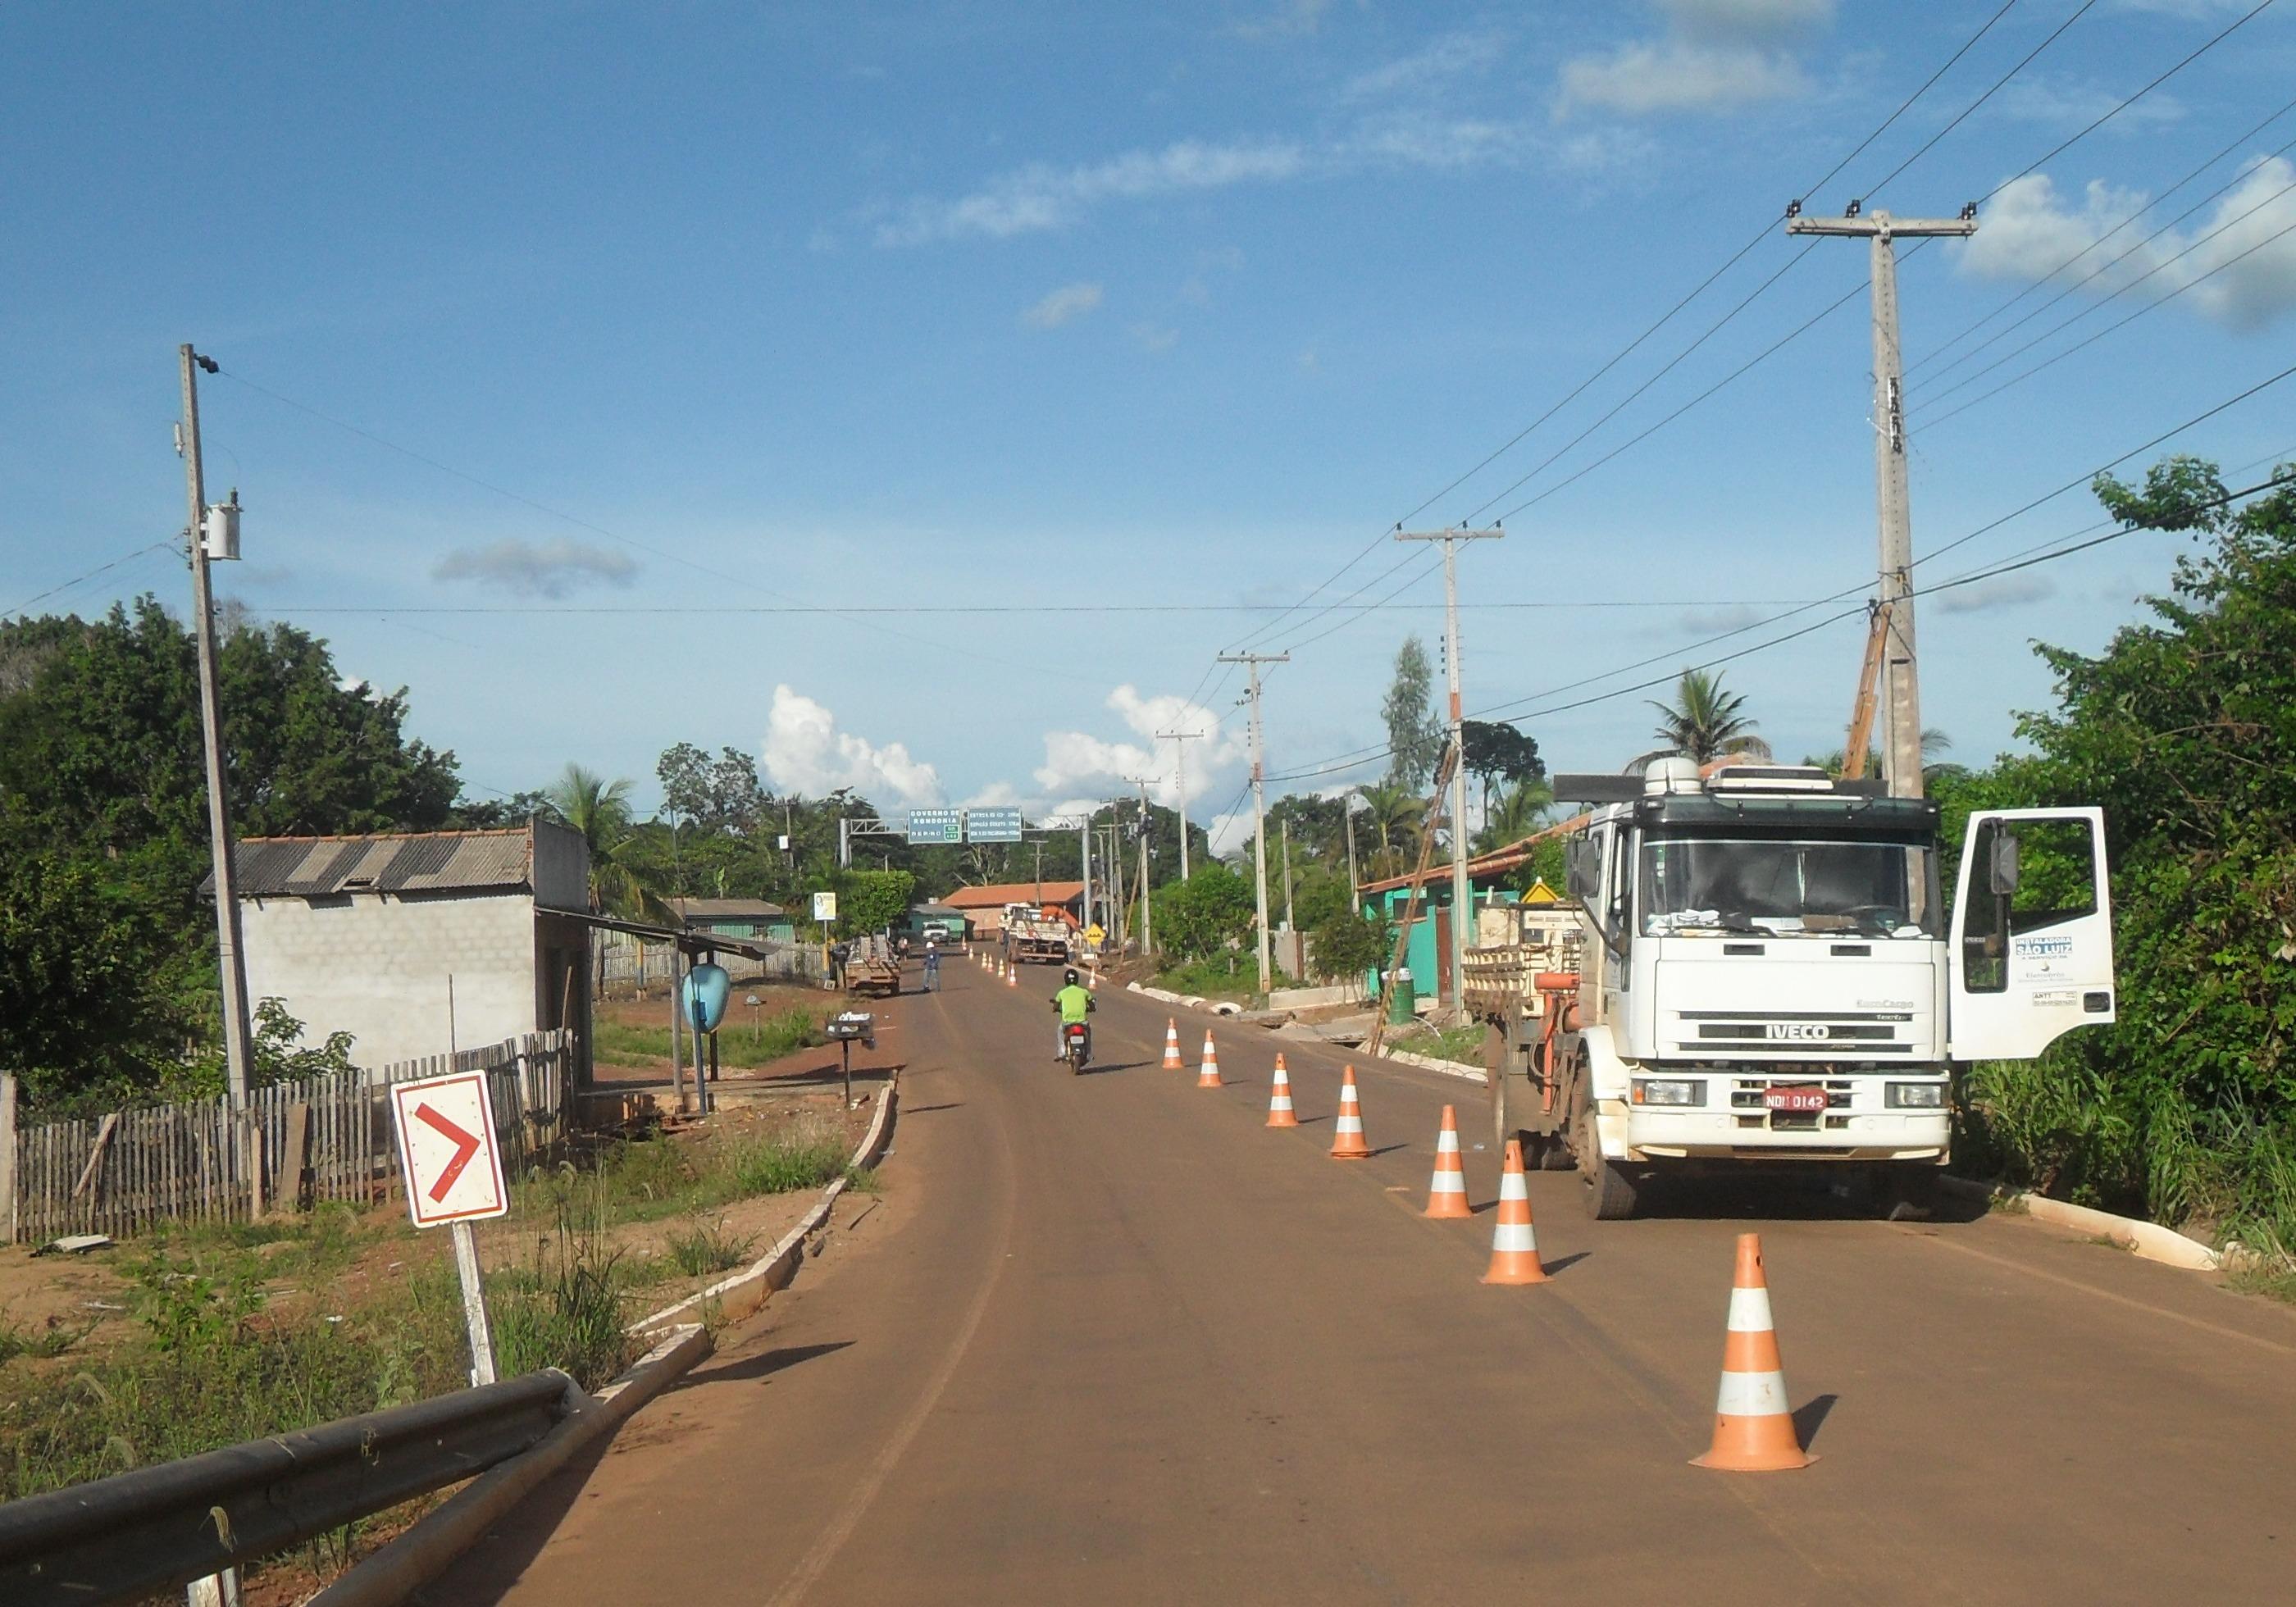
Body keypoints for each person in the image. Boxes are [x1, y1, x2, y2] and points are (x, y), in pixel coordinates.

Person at [1051, 966, 1095, 1061]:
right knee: (1089, 1034)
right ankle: (1089, 1054)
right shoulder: (1084, 992)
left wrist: (1055, 1009)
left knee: (1060, 1031)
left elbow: (1055, 1006)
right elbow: (1092, 1004)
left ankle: (1062, 1052)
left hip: (1067, 1022)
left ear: (1066, 980)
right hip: (1082, 1022)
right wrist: (1092, 1009)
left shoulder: (1061, 993)